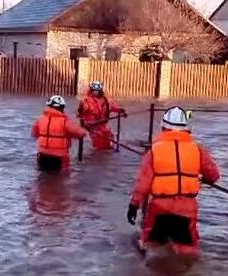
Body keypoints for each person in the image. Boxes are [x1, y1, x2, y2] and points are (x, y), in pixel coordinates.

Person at [126, 107, 220, 257]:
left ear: (163, 127)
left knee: (150, 247)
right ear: (186, 128)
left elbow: (143, 183)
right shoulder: (198, 149)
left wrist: (134, 205)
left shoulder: (154, 151)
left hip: (160, 207)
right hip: (187, 208)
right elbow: (214, 175)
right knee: (187, 252)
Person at [32, 95, 87, 173]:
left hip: (43, 155)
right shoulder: (65, 121)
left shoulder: (40, 119)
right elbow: (80, 133)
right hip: (59, 157)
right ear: (62, 107)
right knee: (60, 179)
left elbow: (34, 134)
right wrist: (85, 130)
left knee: (42, 177)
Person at [77, 81, 126, 150]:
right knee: (98, 141)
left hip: (103, 124)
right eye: (94, 90)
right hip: (92, 126)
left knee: (109, 137)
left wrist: (121, 110)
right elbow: (81, 113)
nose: (96, 92)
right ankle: (97, 154)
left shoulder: (106, 100)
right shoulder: (86, 100)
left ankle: (107, 151)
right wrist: (84, 123)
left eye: (97, 90)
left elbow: (113, 106)